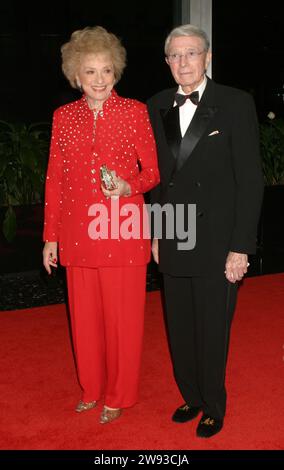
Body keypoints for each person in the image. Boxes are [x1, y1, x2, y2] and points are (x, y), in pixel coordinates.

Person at [147, 24, 264, 437]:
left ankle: (214, 403)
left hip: (217, 241)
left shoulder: (235, 103)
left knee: (212, 328)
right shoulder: (156, 104)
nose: (183, 62)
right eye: (175, 56)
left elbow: (250, 180)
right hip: (175, 235)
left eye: (191, 53)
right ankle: (192, 395)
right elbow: (159, 180)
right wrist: (157, 234)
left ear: (207, 56)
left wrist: (240, 247)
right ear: (167, 62)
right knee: (179, 325)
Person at [43, 26, 160, 424]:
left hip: (123, 229)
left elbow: (154, 173)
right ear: (76, 75)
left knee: (123, 322)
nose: (98, 79)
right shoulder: (63, 117)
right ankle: (91, 389)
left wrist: (129, 185)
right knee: (85, 322)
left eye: (105, 70)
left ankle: (118, 394)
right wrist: (49, 237)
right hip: (77, 234)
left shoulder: (134, 112)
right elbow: (55, 178)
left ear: (116, 72)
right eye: (89, 71)